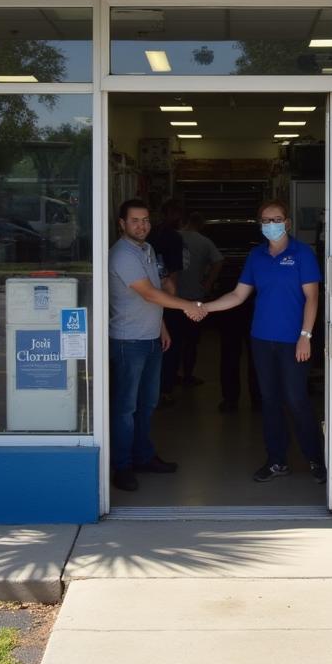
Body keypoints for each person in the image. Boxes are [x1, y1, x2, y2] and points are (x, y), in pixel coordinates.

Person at [204, 198, 326, 484]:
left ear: (287, 222)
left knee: (296, 400)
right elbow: (237, 296)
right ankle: (276, 460)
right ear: (260, 224)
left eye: (277, 220)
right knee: (269, 401)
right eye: (266, 220)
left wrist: (305, 336)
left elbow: (312, 297)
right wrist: (203, 307)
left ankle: (316, 459)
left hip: (294, 341)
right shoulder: (256, 257)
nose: (271, 225)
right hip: (261, 340)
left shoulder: (302, 254)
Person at [109, 198, 205, 492]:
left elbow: (158, 291)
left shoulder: (147, 249)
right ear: (122, 224)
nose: (142, 225)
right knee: (126, 408)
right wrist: (187, 306)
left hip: (150, 338)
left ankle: (143, 456)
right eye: (135, 220)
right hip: (128, 341)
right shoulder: (122, 255)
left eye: (146, 220)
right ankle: (122, 466)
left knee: (147, 404)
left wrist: (161, 325)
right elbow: (149, 294)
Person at [174, 212, 224, 387]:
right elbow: (218, 261)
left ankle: (171, 377)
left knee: (174, 340)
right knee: (191, 341)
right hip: (195, 297)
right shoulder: (204, 242)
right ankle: (188, 375)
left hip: (172, 298)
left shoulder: (174, 237)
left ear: (184, 221)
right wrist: (209, 282)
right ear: (201, 225)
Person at [147, 199, 186, 405]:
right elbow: (174, 274)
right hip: (166, 297)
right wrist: (175, 300)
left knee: (157, 344)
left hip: (147, 298)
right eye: (177, 214)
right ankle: (165, 389)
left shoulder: (150, 235)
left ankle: (155, 389)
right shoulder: (174, 238)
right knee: (170, 344)